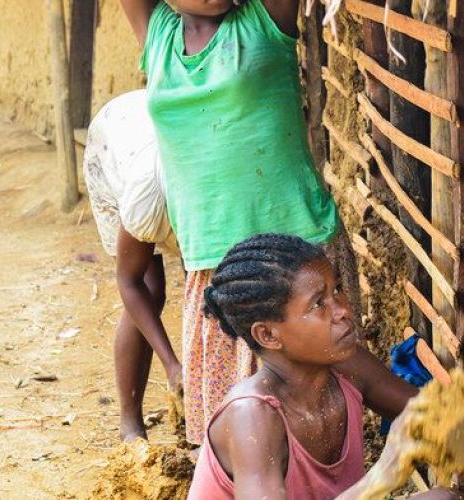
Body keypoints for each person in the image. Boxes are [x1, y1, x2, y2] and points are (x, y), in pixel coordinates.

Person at [119, 0, 360, 445]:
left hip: (297, 258)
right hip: (215, 269)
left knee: (315, 423)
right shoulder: (156, 34)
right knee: (239, 438)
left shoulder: (265, 18)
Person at [188, 234, 457, 499]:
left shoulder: (348, 367)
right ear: (268, 336)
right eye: (319, 303)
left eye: (337, 290)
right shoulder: (252, 415)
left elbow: (438, 419)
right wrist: (384, 472)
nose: (342, 310)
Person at [83, 90, 183, 441]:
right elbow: (128, 281)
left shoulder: (215, 195)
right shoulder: (147, 194)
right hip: (113, 146)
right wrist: (172, 365)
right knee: (151, 290)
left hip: (151, 138)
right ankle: (130, 423)